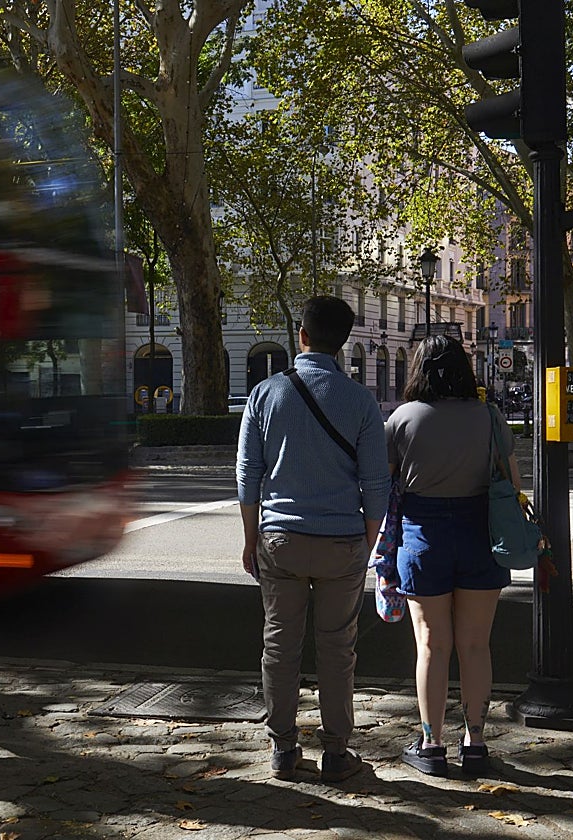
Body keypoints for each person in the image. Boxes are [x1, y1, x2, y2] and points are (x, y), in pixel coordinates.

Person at [236, 296, 389, 784]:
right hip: (342, 541)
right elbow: (376, 484)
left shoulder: (265, 394)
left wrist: (250, 536)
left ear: (301, 334)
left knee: (279, 644)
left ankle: (282, 749)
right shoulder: (361, 400)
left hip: (279, 538)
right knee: (337, 649)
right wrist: (366, 543)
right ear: (342, 343)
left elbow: (247, 475)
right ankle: (337, 753)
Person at [385, 335, 518, 778]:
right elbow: (512, 483)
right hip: (482, 533)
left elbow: (385, 488)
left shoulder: (402, 418)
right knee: (476, 644)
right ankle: (475, 743)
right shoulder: (490, 417)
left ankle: (431, 744)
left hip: (423, 538)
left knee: (431, 645)